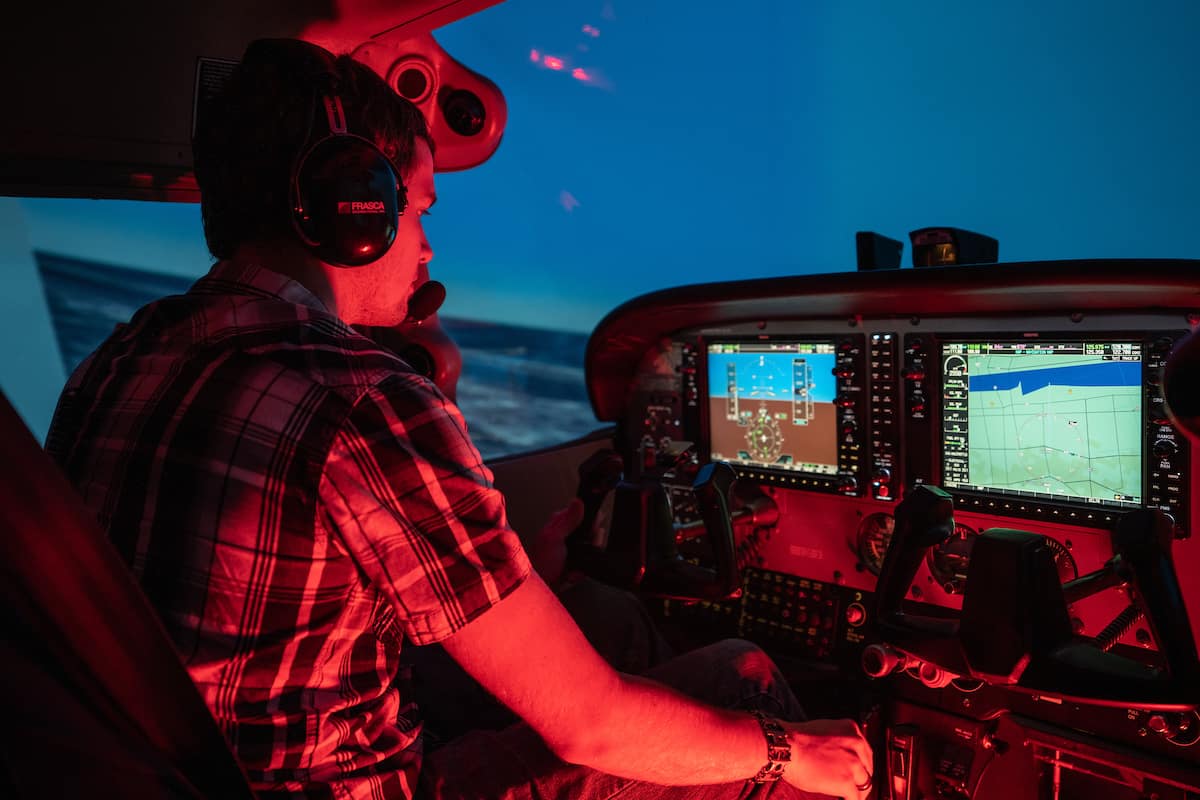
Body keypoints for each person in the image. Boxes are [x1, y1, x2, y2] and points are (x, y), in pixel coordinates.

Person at [43, 38, 873, 800]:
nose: (428, 249)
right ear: (355, 208)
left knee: (607, 618)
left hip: (188, 766)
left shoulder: (121, 354)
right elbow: (592, 724)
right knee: (742, 678)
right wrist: (790, 752)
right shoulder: (362, 399)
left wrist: (522, 585)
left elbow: (293, 625)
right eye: (422, 209)